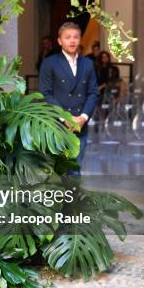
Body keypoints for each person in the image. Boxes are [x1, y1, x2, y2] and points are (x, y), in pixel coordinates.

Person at [39, 22, 99, 175]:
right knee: (56, 172)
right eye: (68, 37)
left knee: (75, 171)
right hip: (57, 126)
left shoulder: (88, 64)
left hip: (80, 126)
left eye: (76, 37)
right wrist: (65, 117)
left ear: (80, 40)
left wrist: (83, 117)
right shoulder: (49, 63)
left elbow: (93, 93)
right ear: (60, 40)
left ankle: (74, 199)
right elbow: (45, 94)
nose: (72, 41)